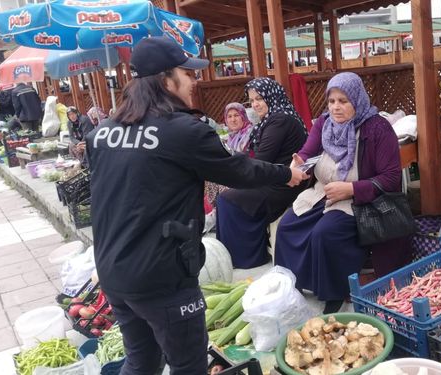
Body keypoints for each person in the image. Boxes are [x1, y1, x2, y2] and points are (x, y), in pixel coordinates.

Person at [85, 36, 307, 375]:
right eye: (187, 73)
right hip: (162, 276)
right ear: (166, 80)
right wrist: (286, 174)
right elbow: (239, 170)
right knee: (188, 366)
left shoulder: (101, 134)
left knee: (141, 361)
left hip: (114, 270)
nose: (194, 81)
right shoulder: (183, 131)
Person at [274, 72, 411, 314]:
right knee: (287, 225)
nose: (336, 107)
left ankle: (334, 293)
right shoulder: (324, 124)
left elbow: (390, 178)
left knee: (325, 233)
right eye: (332, 101)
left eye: (343, 101)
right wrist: (298, 165)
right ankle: (292, 284)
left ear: (357, 100)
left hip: (360, 200)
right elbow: (307, 152)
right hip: (323, 192)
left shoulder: (377, 129)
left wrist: (351, 189)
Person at [216, 77, 308, 269]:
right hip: (273, 177)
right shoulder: (274, 118)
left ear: (271, 96)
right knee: (227, 194)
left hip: (284, 183)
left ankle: (245, 258)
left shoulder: (280, 120)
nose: (256, 104)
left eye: (260, 98)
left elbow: (261, 159)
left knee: (227, 199)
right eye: (252, 100)